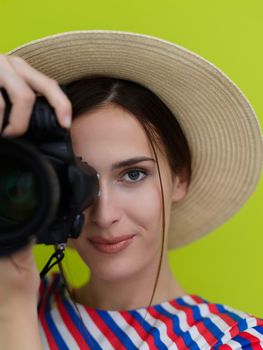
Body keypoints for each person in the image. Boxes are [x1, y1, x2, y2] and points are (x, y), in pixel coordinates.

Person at [0, 31, 262, 350]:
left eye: (133, 174)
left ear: (179, 178)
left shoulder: (235, 340)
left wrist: (12, 313)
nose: (105, 214)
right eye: (79, 179)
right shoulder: (17, 296)